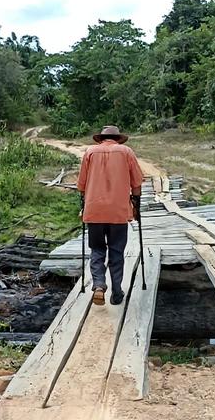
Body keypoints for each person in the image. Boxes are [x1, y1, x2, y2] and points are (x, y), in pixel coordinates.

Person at [76, 126, 143, 306]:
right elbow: (137, 183)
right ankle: (117, 292)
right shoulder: (126, 152)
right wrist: (136, 203)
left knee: (97, 249)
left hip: (94, 210)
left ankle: (98, 285)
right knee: (116, 251)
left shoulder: (90, 152)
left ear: (100, 139)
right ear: (118, 138)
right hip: (118, 212)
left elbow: (81, 185)